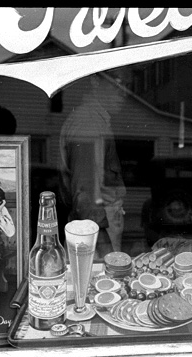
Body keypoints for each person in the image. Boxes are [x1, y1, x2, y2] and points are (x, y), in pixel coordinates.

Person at [59, 75, 126, 258]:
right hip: (92, 240)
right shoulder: (88, 122)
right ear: (96, 82)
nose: (125, 93)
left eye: (127, 87)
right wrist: (108, 255)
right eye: (117, 86)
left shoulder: (95, 120)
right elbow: (85, 193)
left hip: (93, 232)